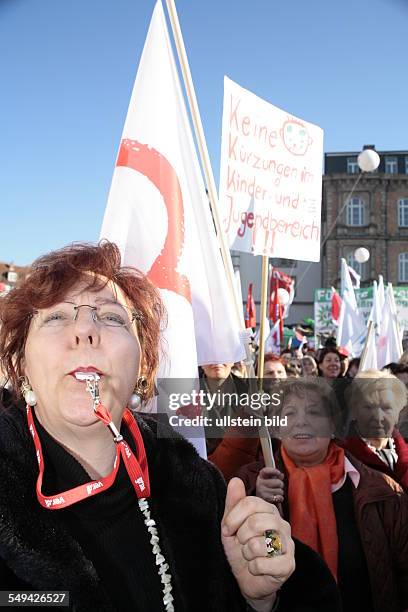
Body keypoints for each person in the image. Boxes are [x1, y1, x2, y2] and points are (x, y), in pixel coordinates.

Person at [0, 241, 303, 612]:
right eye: (56, 317)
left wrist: (259, 598)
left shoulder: (194, 481)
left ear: (144, 365)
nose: (84, 330)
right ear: (20, 362)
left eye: (111, 317)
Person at [236, 379, 408, 612]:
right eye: (289, 414)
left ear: (333, 425)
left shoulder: (381, 489)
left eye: (314, 412)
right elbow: (265, 561)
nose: (301, 422)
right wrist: (264, 507)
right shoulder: (250, 484)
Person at [342, 369, 408, 491]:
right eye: (368, 407)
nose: (378, 417)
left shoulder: (405, 451)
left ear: (398, 413)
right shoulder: (340, 457)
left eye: (386, 408)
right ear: (355, 410)